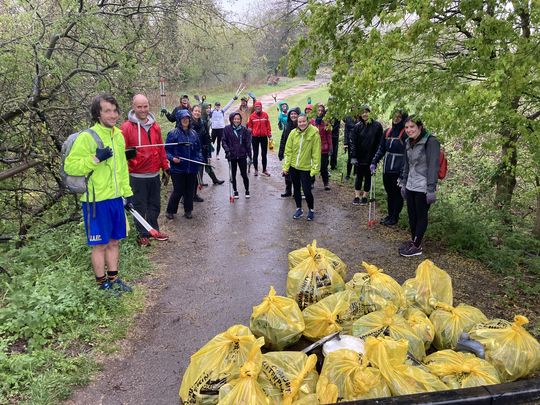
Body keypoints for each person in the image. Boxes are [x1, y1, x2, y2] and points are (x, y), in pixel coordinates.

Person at [64, 94, 133, 294]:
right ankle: (101, 283)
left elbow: (121, 169)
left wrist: (127, 194)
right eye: (107, 111)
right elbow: (71, 166)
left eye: (114, 110)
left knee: (114, 241)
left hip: (115, 198)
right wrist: (95, 158)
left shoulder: (118, 135)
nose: (112, 115)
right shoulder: (88, 137)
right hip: (96, 201)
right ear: (98, 114)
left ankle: (114, 278)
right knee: (100, 244)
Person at [120, 94, 170, 247]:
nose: (143, 110)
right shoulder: (126, 128)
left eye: (145, 106)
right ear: (133, 107)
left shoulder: (155, 126)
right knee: (140, 206)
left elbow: (160, 148)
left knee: (154, 204)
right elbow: (121, 154)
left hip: (154, 173)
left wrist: (165, 167)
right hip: (137, 175)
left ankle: (154, 229)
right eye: (139, 107)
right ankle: (143, 234)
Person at [398, 115, 440, 257]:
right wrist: (403, 183)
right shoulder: (408, 142)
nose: (409, 130)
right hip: (410, 184)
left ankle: (417, 246)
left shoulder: (431, 142)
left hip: (423, 186)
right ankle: (414, 240)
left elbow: (433, 166)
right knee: (412, 215)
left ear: (420, 127)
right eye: (407, 127)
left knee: (421, 215)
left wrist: (431, 189)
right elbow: (407, 164)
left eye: (412, 127)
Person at [370, 109, 409, 226]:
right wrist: (374, 162)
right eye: (394, 117)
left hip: (398, 170)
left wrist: (403, 173)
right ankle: (390, 215)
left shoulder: (406, 134)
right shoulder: (387, 132)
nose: (396, 119)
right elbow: (381, 149)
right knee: (389, 193)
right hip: (387, 169)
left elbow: (408, 155)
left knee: (397, 195)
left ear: (403, 119)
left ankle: (394, 217)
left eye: (399, 117)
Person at [165, 110, 204, 219]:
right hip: (178, 169)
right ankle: (170, 211)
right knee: (178, 190)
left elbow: (198, 149)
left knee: (190, 190)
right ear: (179, 120)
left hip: (192, 168)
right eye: (183, 118)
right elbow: (166, 151)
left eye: (187, 118)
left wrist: (199, 158)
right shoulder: (173, 133)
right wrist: (172, 158)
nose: (185, 120)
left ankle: (188, 210)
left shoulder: (194, 133)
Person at [282, 114, 321, 221]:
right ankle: (299, 209)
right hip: (294, 167)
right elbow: (288, 151)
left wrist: (315, 169)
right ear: (297, 123)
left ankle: (311, 210)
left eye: (303, 121)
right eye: (299, 122)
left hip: (306, 168)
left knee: (307, 190)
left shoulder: (314, 134)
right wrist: (286, 167)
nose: (302, 123)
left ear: (307, 121)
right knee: (296, 189)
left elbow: (316, 153)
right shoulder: (293, 133)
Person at [350, 105, 383, 205]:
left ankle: (365, 196)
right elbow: (353, 142)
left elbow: (380, 142)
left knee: (368, 176)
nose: (364, 114)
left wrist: (376, 157)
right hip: (359, 156)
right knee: (359, 176)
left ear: (370, 113)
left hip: (371, 156)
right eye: (362, 112)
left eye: (366, 112)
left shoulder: (377, 126)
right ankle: (357, 196)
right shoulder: (357, 126)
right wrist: (353, 156)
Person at [191, 104, 224, 191]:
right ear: (192, 112)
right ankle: (198, 184)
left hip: (203, 149)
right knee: (198, 168)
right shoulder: (188, 123)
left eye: (199, 111)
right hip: (193, 151)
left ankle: (214, 180)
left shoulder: (203, 123)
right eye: (195, 111)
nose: (197, 113)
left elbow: (207, 138)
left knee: (206, 164)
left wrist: (208, 152)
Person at [222, 112, 252, 199]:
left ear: (240, 120)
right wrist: (227, 150)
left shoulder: (244, 130)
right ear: (231, 119)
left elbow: (247, 144)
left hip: (242, 155)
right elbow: (223, 141)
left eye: (238, 119)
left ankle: (247, 190)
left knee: (244, 174)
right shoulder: (227, 129)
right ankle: (235, 191)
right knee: (233, 175)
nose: (236, 120)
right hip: (231, 156)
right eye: (235, 119)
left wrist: (250, 156)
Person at [278, 107, 301, 197]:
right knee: (287, 172)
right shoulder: (287, 125)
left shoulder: (301, 125)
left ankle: (296, 192)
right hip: (288, 153)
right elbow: (283, 139)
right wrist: (281, 152)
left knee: (296, 174)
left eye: (295, 114)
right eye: (291, 114)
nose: (293, 115)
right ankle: (288, 191)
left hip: (298, 153)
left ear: (298, 115)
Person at [310, 104, 332, 190]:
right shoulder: (311, 122)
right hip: (313, 147)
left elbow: (329, 135)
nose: (320, 112)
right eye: (318, 110)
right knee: (312, 165)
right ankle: (311, 182)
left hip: (324, 147)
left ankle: (326, 183)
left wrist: (330, 147)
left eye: (322, 111)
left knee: (324, 167)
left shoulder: (326, 122)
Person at [247, 101, 272, 176]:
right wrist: (250, 129)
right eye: (256, 107)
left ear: (261, 107)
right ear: (254, 108)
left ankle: (264, 170)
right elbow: (249, 125)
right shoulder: (251, 116)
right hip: (255, 137)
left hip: (264, 137)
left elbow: (268, 125)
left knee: (264, 154)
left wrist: (269, 134)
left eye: (259, 107)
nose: (258, 108)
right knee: (255, 154)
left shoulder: (265, 115)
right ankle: (256, 170)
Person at [343, 112, 361, 180]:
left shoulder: (360, 118)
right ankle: (348, 174)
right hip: (350, 140)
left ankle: (356, 174)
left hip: (359, 140)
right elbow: (346, 131)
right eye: (353, 107)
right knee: (350, 157)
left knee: (358, 157)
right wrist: (345, 143)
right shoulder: (348, 117)